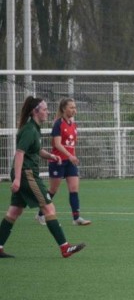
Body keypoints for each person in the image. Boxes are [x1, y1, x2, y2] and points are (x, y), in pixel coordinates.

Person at [0, 96, 86, 259]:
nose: (48, 112)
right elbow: (19, 153)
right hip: (27, 174)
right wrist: (18, 179)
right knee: (48, 208)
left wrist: (51, 156)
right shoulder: (29, 130)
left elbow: (36, 150)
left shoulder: (34, 128)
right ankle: (65, 248)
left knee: (14, 211)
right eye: (45, 109)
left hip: (25, 173)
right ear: (35, 111)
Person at [36, 97, 91, 226]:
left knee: (74, 189)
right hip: (58, 161)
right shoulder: (58, 124)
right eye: (71, 107)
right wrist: (69, 156)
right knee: (53, 190)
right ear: (63, 109)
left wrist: (73, 157)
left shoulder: (74, 125)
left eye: (75, 107)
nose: (74, 110)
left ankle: (76, 218)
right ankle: (40, 214)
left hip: (70, 162)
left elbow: (72, 145)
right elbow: (57, 144)